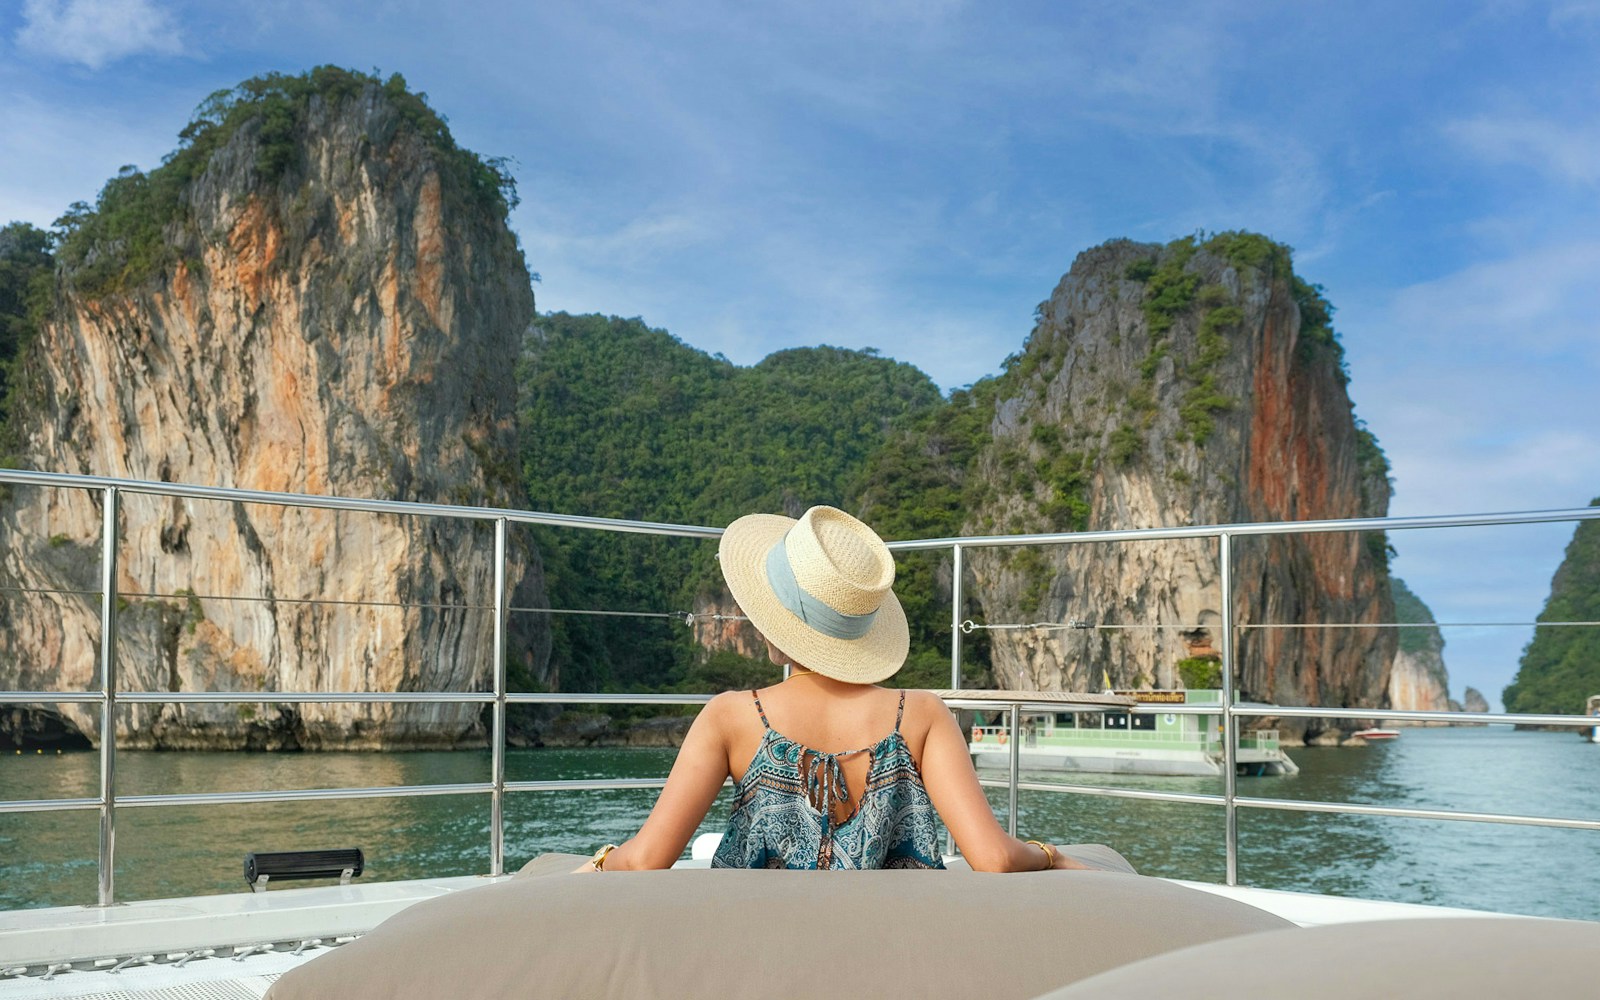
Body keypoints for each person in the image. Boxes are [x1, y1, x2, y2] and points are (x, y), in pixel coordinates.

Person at [578, 505, 1090, 873]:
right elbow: (995, 859)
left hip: (760, 953)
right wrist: (1053, 854)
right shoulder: (923, 714)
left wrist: (597, 862)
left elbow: (645, 862)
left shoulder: (731, 716)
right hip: (891, 955)